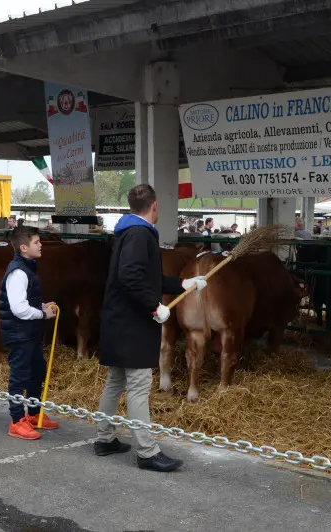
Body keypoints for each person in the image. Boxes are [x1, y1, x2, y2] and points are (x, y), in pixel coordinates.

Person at [94, 184, 207, 472]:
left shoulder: (126, 231)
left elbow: (146, 277)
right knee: (139, 385)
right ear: (154, 206)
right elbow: (131, 276)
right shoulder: (140, 234)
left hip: (118, 320)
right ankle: (147, 451)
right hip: (132, 324)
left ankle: (104, 438)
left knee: (116, 381)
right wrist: (154, 306)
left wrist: (183, 284)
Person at [0, 225, 60, 440]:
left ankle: (33, 414)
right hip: (19, 332)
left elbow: (26, 302)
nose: (41, 245)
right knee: (19, 375)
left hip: (28, 331)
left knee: (37, 370)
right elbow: (18, 308)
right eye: (36, 242)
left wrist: (41, 306)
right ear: (24, 247)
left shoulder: (27, 268)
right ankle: (16, 421)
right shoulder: (18, 272)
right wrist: (43, 315)